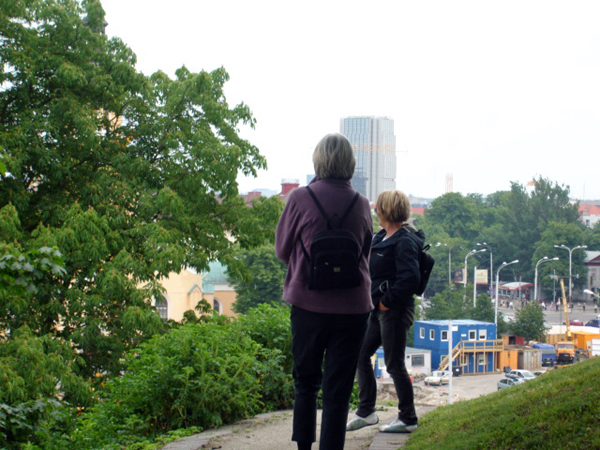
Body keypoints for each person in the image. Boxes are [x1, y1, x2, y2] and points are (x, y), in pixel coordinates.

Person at [275, 133, 373, 450]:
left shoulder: (300, 199)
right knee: (339, 390)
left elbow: (281, 249)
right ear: (350, 163)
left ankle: (304, 446)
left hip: (307, 305)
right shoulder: (361, 203)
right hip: (354, 309)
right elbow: (366, 251)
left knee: (305, 382)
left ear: (318, 160)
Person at [346, 190, 423, 434]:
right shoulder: (381, 237)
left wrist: (386, 301)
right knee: (360, 354)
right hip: (377, 311)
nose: (374, 211)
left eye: (377, 208)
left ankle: (407, 418)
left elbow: (410, 278)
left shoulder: (404, 241)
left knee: (394, 363)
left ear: (386, 210)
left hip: (394, 311)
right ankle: (366, 411)